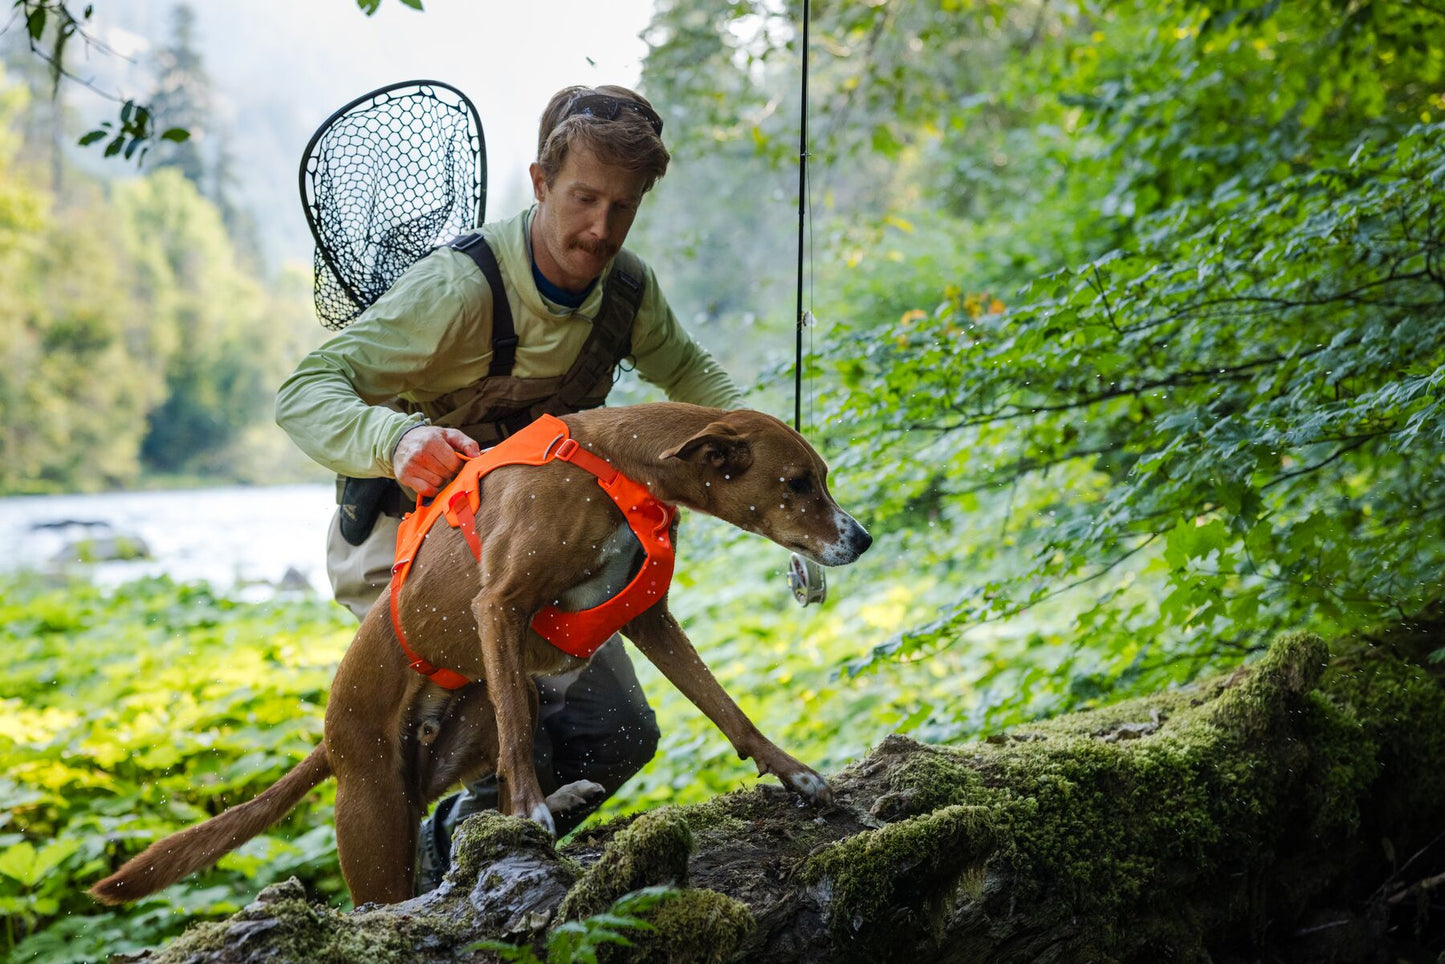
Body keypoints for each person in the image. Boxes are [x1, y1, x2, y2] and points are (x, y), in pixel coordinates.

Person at [275, 84, 742, 892]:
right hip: (411, 546)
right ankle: (435, 872)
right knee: (473, 723)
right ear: (539, 182)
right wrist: (398, 437)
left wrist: (768, 464)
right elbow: (306, 388)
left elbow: (698, 383)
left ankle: (474, 837)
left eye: (621, 208)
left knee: (618, 732)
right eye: (583, 199)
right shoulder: (458, 289)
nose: (599, 229)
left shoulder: (626, 294)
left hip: (536, 550)